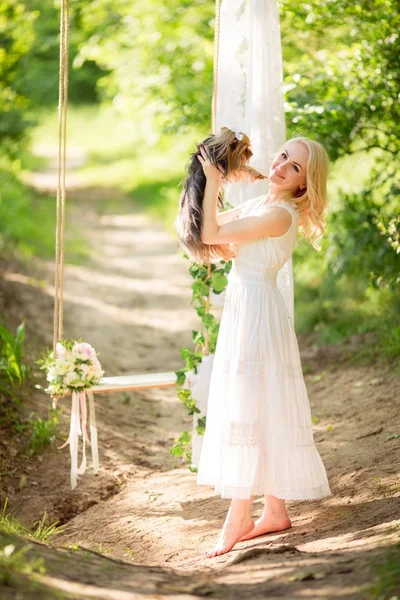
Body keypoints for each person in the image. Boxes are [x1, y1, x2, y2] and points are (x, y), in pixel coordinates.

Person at [196, 136, 332, 558]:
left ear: (302, 185)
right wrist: (203, 180)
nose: (280, 166)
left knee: (249, 404)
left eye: (293, 168)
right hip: (247, 307)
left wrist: (214, 180)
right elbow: (214, 233)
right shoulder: (261, 204)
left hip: (257, 312)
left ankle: (239, 516)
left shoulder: (277, 213)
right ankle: (274, 510)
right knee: (260, 403)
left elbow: (211, 230)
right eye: (283, 156)